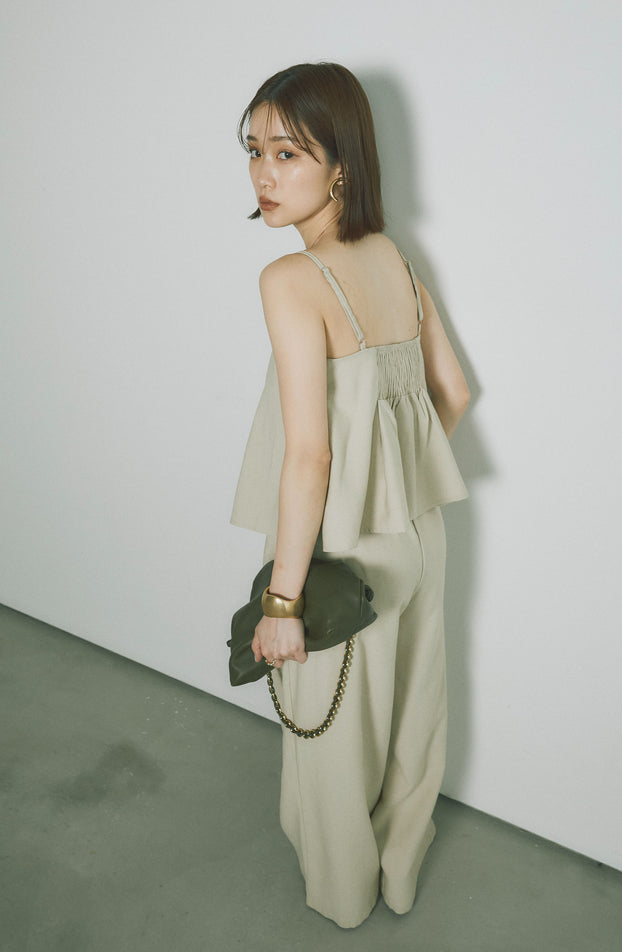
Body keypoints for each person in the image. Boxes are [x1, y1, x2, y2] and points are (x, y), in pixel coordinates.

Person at [230, 62, 470, 929]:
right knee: (412, 711)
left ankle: (343, 897)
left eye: (288, 153)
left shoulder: (291, 281)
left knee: (329, 732)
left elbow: (309, 458)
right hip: (417, 534)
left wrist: (282, 602)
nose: (263, 173)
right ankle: (400, 872)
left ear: (341, 166)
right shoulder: (392, 256)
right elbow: (454, 393)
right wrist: (397, 481)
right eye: (254, 149)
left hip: (334, 550)